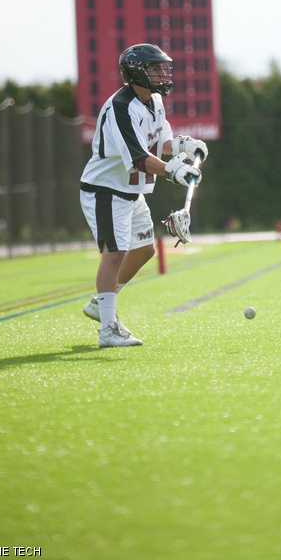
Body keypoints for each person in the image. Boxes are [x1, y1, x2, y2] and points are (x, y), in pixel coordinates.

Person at [80, 43, 209, 348]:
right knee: (114, 254)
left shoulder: (154, 101)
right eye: (154, 69)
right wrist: (174, 171)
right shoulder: (121, 107)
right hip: (106, 190)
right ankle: (108, 330)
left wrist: (184, 146)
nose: (161, 74)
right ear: (136, 72)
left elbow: (160, 140)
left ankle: (100, 305)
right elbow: (138, 156)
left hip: (131, 190)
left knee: (144, 251)